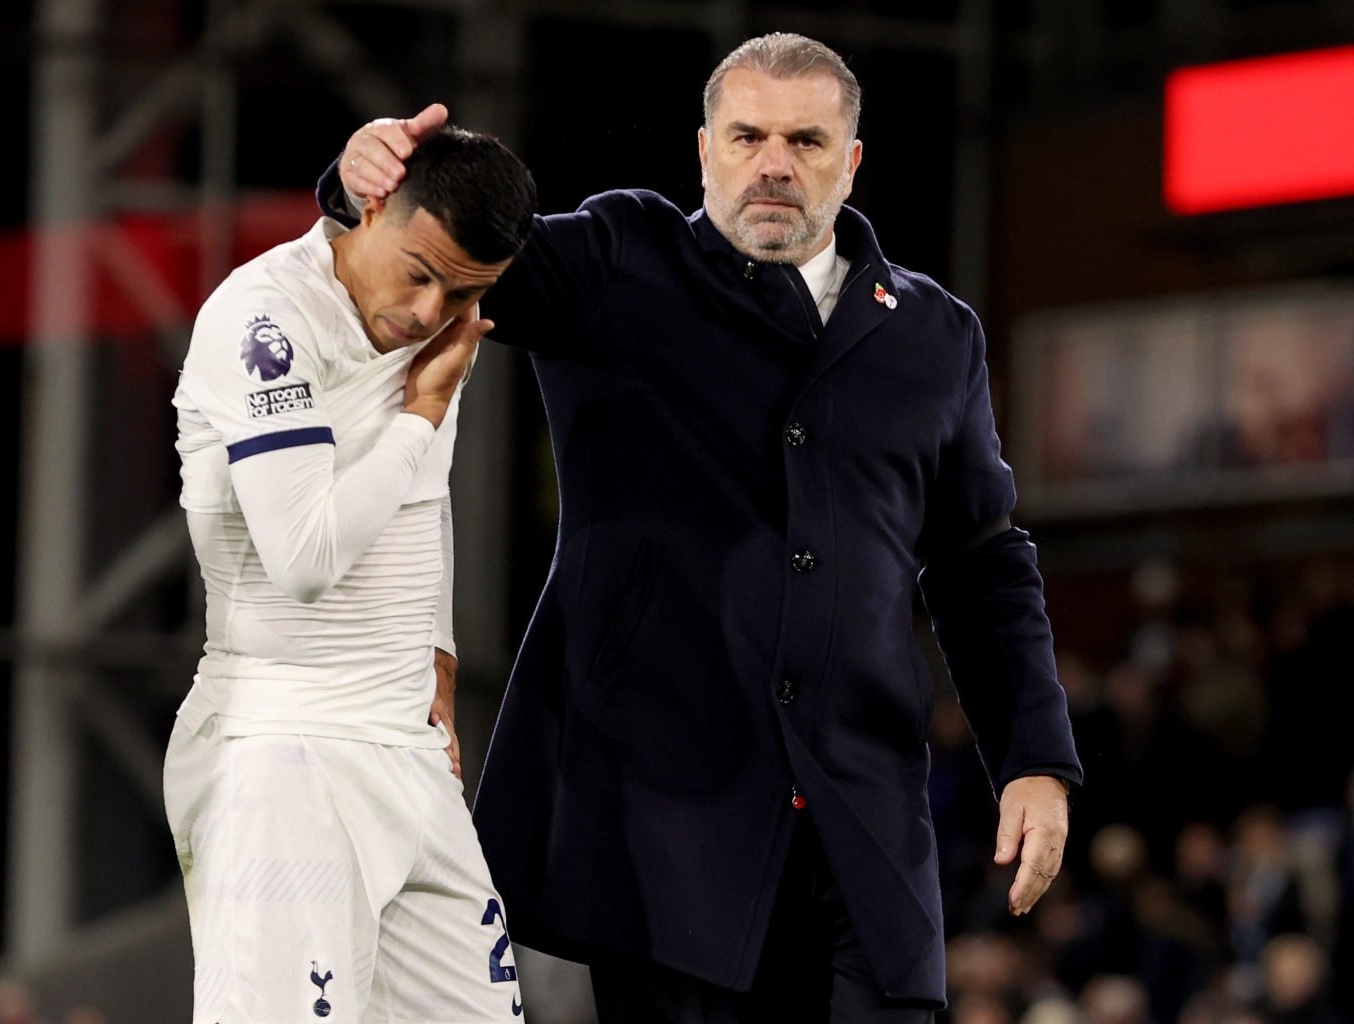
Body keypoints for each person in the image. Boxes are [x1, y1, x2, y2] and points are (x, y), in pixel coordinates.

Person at [323, 32, 1081, 1022]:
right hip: (662, 831)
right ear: (703, 150)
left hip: (864, 821)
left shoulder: (934, 333)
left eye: (807, 141)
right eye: (748, 135)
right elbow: (461, 257)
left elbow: (983, 562)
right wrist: (362, 187)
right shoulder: (622, 260)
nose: (775, 162)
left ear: (851, 162)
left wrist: (1033, 756)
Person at [163, 126, 537, 1024]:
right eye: (419, 271)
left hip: (407, 751)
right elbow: (306, 557)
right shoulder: (264, 320)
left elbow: (423, 495)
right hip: (285, 753)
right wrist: (419, 414)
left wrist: (436, 648)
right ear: (370, 207)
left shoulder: (436, 325)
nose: (428, 309)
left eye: (463, 292)